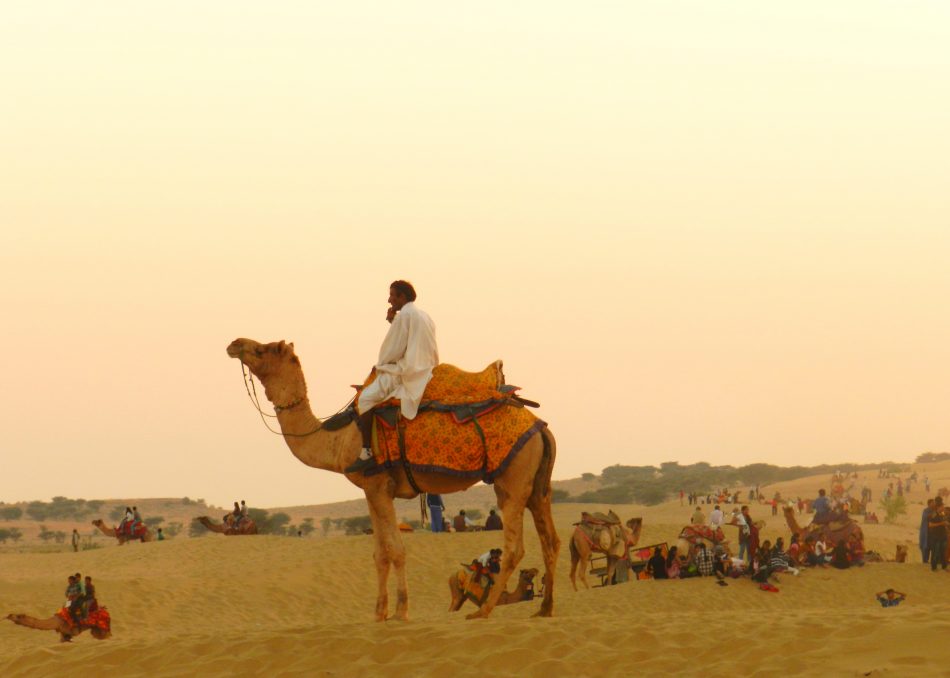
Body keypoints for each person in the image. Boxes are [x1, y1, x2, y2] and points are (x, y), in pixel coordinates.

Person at [346, 280, 439, 473]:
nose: (389, 300)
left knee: (365, 399)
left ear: (402, 297)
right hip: (427, 369)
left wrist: (380, 366)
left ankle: (366, 452)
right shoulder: (423, 315)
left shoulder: (404, 316)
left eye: (393, 296)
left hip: (408, 372)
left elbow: (392, 350)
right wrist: (393, 322)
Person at [927, 496, 948, 571]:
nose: (943, 508)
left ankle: (944, 566)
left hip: (943, 536)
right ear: (939, 507)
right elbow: (930, 525)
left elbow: (944, 523)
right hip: (936, 536)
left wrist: (945, 524)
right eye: (942, 506)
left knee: (943, 552)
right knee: (935, 552)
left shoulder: (942, 514)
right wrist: (941, 523)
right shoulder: (933, 515)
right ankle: (934, 567)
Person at [920, 499, 935, 565]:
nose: (934, 504)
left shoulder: (934, 510)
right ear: (929, 504)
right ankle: (925, 560)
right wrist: (935, 512)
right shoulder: (925, 511)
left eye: (934, 503)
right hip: (925, 532)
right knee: (925, 546)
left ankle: (930, 561)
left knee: (931, 546)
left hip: (932, 533)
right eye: (932, 503)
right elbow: (926, 517)